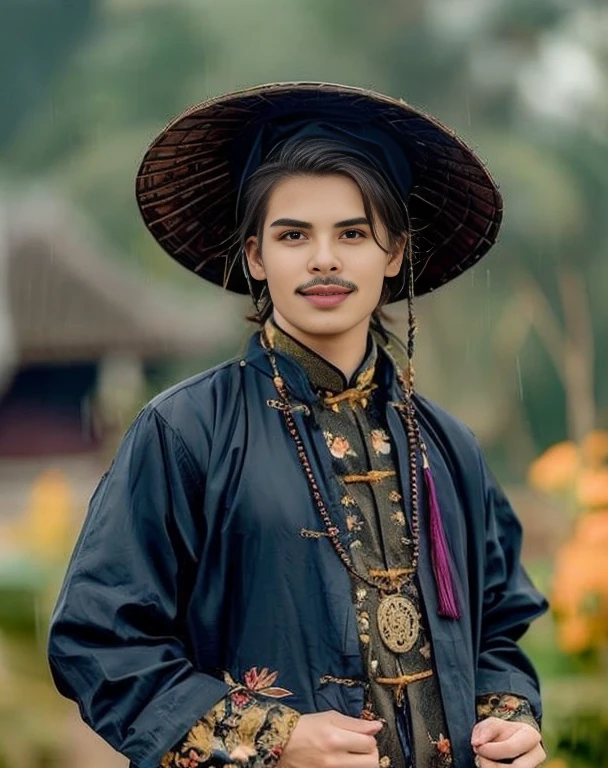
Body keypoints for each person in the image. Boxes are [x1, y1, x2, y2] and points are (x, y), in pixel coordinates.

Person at [48, 83, 548, 768]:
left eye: (353, 233)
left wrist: (509, 716)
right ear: (256, 257)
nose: (324, 260)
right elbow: (99, 639)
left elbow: (499, 630)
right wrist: (271, 739)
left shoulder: (449, 446)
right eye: (293, 235)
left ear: (395, 253)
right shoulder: (184, 432)